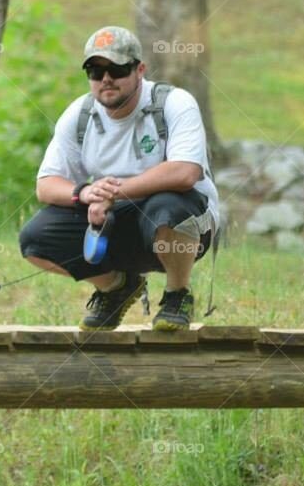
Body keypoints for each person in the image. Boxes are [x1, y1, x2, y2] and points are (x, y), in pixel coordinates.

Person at [19, 26, 220, 331]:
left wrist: (114, 193)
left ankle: (177, 294)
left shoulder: (173, 103)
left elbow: (185, 172)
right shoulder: (79, 114)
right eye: (95, 71)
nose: (106, 79)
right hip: (116, 222)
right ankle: (117, 287)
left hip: (182, 226)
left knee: (167, 208)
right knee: (35, 239)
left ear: (140, 70)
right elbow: (46, 184)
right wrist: (85, 194)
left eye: (117, 68)